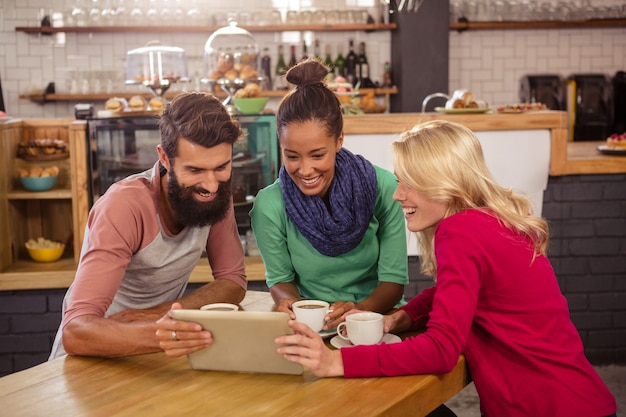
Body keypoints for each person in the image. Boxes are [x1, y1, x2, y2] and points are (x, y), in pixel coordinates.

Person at [273, 120, 617, 417]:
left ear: (442, 182)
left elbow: (441, 350)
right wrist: (402, 317)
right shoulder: (497, 219)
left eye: (409, 183)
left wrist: (337, 364)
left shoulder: (461, 231)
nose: (397, 195)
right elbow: (457, 291)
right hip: (577, 400)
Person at [49, 92, 247, 359]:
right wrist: (161, 328)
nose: (211, 184)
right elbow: (76, 331)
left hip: (155, 352)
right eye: (195, 171)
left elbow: (233, 281)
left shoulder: (215, 195)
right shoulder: (123, 206)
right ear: (165, 158)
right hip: (90, 357)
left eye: (222, 167)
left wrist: (159, 316)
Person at [249, 58, 408, 329]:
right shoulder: (269, 206)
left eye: (318, 155)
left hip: (376, 320)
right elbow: (281, 280)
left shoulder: (384, 188)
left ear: (339, 141)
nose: (305, 170)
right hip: (311, 324)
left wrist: (357, 311)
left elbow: (393, 283)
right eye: (292, 156)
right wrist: (290, 302)